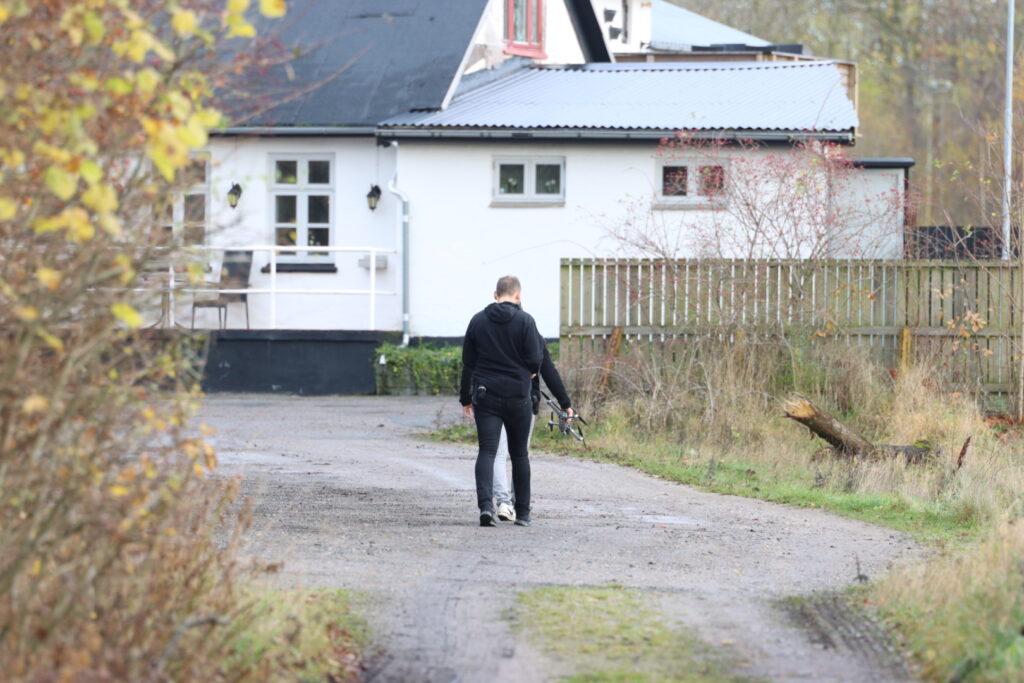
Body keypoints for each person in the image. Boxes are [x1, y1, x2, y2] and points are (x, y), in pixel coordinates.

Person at [460, 275, 544, 527]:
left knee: (487, 451)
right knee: (519, 454)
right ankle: (524, 513)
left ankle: (486, 507)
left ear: (495, 294)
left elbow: (468, 362)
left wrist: (466, 398)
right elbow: (535, 359)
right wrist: (527, 370)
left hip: (486, 395)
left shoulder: (478, 320)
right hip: (518, 396)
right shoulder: (526, 321)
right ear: (518, 295)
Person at [493, 345, 573, 522]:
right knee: (519, 454)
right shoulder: (529, 330)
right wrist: (565, 403)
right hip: (524, 399)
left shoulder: (489, 326)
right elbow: (548, 370)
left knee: (498, 453)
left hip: (493, 399)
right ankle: (516, 502)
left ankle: (504, 503)